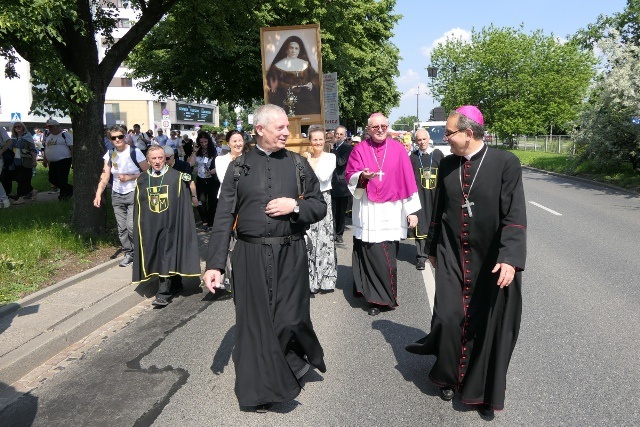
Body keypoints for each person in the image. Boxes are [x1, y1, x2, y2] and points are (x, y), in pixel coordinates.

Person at [202, 104, 327, 412]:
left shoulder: (298, 164)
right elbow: (223, 217)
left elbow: (319, 205)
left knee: (289, 318)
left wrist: (294, 207)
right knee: (255, 323)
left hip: (290, 251)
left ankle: (294, 363)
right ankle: (261, 391)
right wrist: (215, 264)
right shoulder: (239, 167)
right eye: (280, 128)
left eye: (287, 127)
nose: (287, 132)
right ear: (259, 130)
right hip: (249, 255)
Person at [405, 106, 527, 418]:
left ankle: (481, 390)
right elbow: (439, 211)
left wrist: (511, 258)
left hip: (491, 258)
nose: (444, 138)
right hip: (451, 253)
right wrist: (431, 248)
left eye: (449, 133)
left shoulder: (505, 163)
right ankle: (447, 374)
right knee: (447, 317)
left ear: (468, 133)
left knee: (487, 324)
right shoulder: (447, 164)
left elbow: (514, 216)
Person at [345, 113, 421, 316]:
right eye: (375, 126)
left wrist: (412, 211)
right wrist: (362, 176)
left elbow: (408, 180)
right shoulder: (360, 149)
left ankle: (384, 296)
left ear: (388, 127)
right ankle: (375, 299)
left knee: (386, 255)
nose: (380, 129)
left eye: (383, 126)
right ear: (368, 129)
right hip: (368, 210)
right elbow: (349, 175)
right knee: (369, 252)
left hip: (392, 210)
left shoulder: (397, 149)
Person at [131, 145, 201, 307]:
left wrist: (194, 197)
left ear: (166, 158)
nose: (157, 162)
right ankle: (175, 284)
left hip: (171, 223)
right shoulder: (142, 180)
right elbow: (140, 206)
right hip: (152, 225)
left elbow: (186, 194)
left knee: (167, 252)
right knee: (161, 254)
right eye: (153, 158)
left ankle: (163, 292)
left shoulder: (177, 177)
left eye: (160, 158)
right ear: (148, 160)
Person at [94, 126, 149, 267]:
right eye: (114, 138)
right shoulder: (110, 153)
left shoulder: (135, 152)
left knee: (131, 226)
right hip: (117, 193)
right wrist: (98, 194)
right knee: (122, 228)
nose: (117, 140)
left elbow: (148, 173)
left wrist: (131, 177)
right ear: (110, 140)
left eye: (120, 136)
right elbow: (105, 175)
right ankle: (129, 253)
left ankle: (139, 253)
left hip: (134, 192)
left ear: (125, 137)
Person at [303, 125, 337, 294]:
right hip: (309, 200)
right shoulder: (305, 157)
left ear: (325, 140)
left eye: (320, 139)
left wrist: (308, 162)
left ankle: (326, 280)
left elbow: (322, 177)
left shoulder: (330, 157)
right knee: (309, 239)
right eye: (314, 139)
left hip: (324, 198)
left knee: (324, 240)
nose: (317, 142)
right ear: (310, 141)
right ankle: (310, 280)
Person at [408, 128, 444, 270]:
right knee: (420, 225)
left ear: (428, 139)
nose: (422, 142)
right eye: (419, 140)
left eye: (424, 139)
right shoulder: (413, 158)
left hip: (435, 196)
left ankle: (435, 253)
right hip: (420, 197)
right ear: (416, 142)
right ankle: (421, 257)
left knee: (435, 225)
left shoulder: (438, 155)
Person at [266, 36, 321, 116]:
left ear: (299, 51)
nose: (293, 51)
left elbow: (315, 77)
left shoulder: (305, 64)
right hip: (287, 99)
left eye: (296, 48)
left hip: (306, 99)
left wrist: (311, 84)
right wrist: (289, 87)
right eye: (291, 48)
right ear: (286, 50)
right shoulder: (277, 66)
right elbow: (274, 83)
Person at [188, 131, 219, 232]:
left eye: (205, 142)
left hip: (212, 180)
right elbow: (190, 164)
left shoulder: (215, 150)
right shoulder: (198, 152)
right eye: (201, 142)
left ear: (209, 141)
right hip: (201, 179)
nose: (204, 144)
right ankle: (204, 221)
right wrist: (194, 151)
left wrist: (215, 169)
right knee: (201, 201)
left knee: (213, 201)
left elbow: (221, 163)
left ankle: (211, 222)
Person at [1, 122, 37, 205]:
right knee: (18, 178)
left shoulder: (28, 137)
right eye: (15, 127)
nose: (17, 128)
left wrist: (34, 160)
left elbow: (33, 149)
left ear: (23, 127)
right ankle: (32, 191)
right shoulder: (13, 138)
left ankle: (20, 197)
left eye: (19, 126)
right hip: (15, 161)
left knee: (22, 179)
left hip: (25, 161)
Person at [330, 125, 352, 244]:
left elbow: (341, 162)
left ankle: (339, 234)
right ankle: (332, 233)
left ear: (345, 136)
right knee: (332, 211)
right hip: (331, 183)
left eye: (341, 134)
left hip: (341, 184)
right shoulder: (331, 147)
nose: (338, 136)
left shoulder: (347, 148)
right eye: (337, 134)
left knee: (340, 212)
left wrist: (334, 151)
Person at [42, 119, 73, 200]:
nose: (50, 129)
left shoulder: (65, 134)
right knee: (52, 178)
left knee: (62, 179)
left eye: (51, 127)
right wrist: (45, 159)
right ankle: (70, 189)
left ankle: (64, 196)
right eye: (48, 127)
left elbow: (72, 147)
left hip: (64, 160)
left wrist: (73, 159)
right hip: (53, 161)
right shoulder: (49, 136)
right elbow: (46, 148)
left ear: (57, 126)